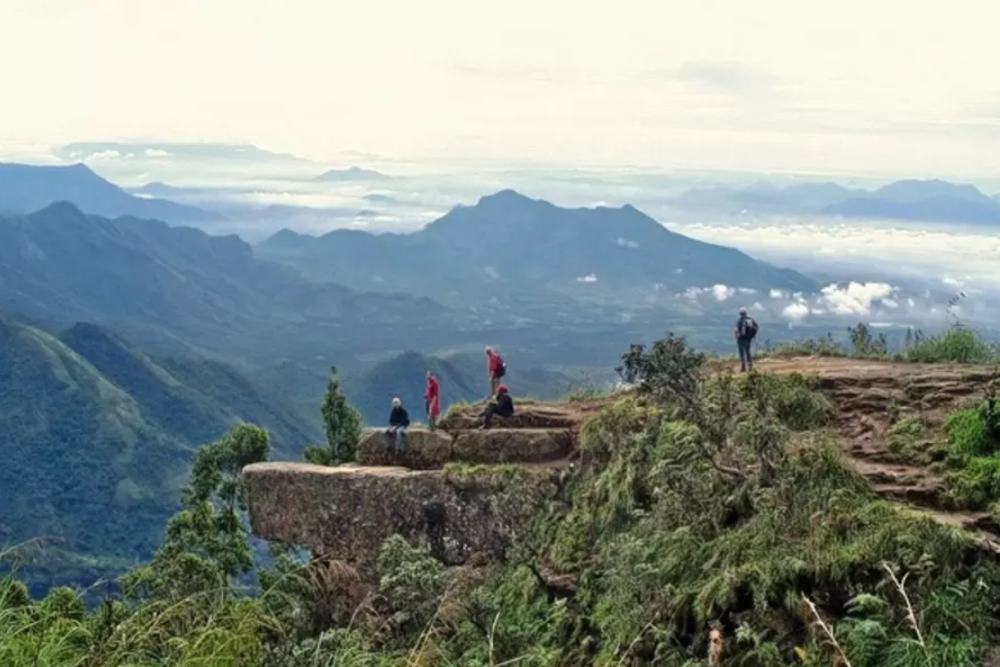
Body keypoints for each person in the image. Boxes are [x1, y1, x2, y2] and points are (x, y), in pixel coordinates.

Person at [734, 307, 759, 372]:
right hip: (749, 339)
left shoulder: (740, 320)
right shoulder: (751, 319)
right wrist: (753, 335)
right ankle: (750, 366)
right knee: (748, 352)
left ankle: (743, 368)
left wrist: (737, 336)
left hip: (741, 339)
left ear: (740, 313)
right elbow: (756, 327)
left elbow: (736, 329)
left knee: (742, 353)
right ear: (746, 313)